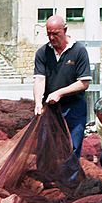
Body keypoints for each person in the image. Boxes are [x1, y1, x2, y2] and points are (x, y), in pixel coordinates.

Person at [33, 15, 92, 180]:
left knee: (72, 146)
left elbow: (83, 83)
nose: (52, 38)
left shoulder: (79, 51)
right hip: (50, 107)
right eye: (49, 34)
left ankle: (69, 182)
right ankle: (46, 180)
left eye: (55, 34)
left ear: (65, 30)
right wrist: (38, 102)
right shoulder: (43, 53)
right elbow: (39, 79)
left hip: (74, 106)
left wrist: (60, 93)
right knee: (45, 145)